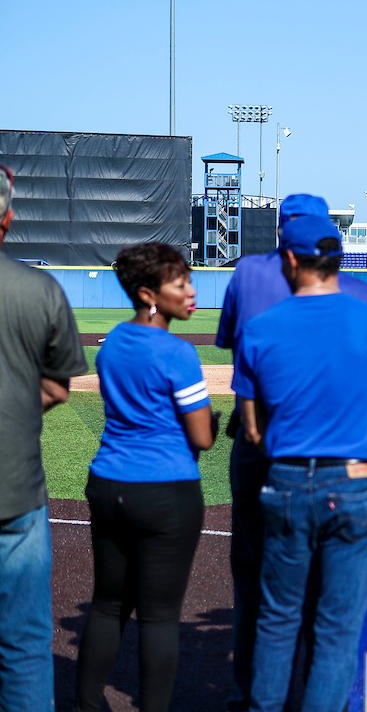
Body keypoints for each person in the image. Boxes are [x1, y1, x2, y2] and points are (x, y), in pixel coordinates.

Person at [233, 216, 367, 712]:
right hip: (358, 480)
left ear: (291, 260)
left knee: (277, 621)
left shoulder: (260, 328)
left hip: (288, 479)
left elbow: (251, 429)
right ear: (339, 258)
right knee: (337, 629)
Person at [215, 193, 367, 712]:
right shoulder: (361, 292)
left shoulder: (247, 272)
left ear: (283, 238)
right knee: (332, 603)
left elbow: (231, 347)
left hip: (263, 448)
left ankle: (251, 695)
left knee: (258, 587)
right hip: (347, 460)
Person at [75, 243, 221, 712]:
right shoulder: (178, 353)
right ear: (148, 293)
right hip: (166, 490)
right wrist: (213, 425)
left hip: (108, 482)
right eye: (180, 284)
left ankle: (86, 703)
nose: (191, 292)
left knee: (107, 604)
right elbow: (201, 437)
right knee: (159, 618)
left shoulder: (114, 340)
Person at [0, 163, 88, 712]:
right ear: (8, 218)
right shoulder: (40, 289)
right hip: (17, 497)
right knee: (27, 648)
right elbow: (58, 387)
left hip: (22, 498)